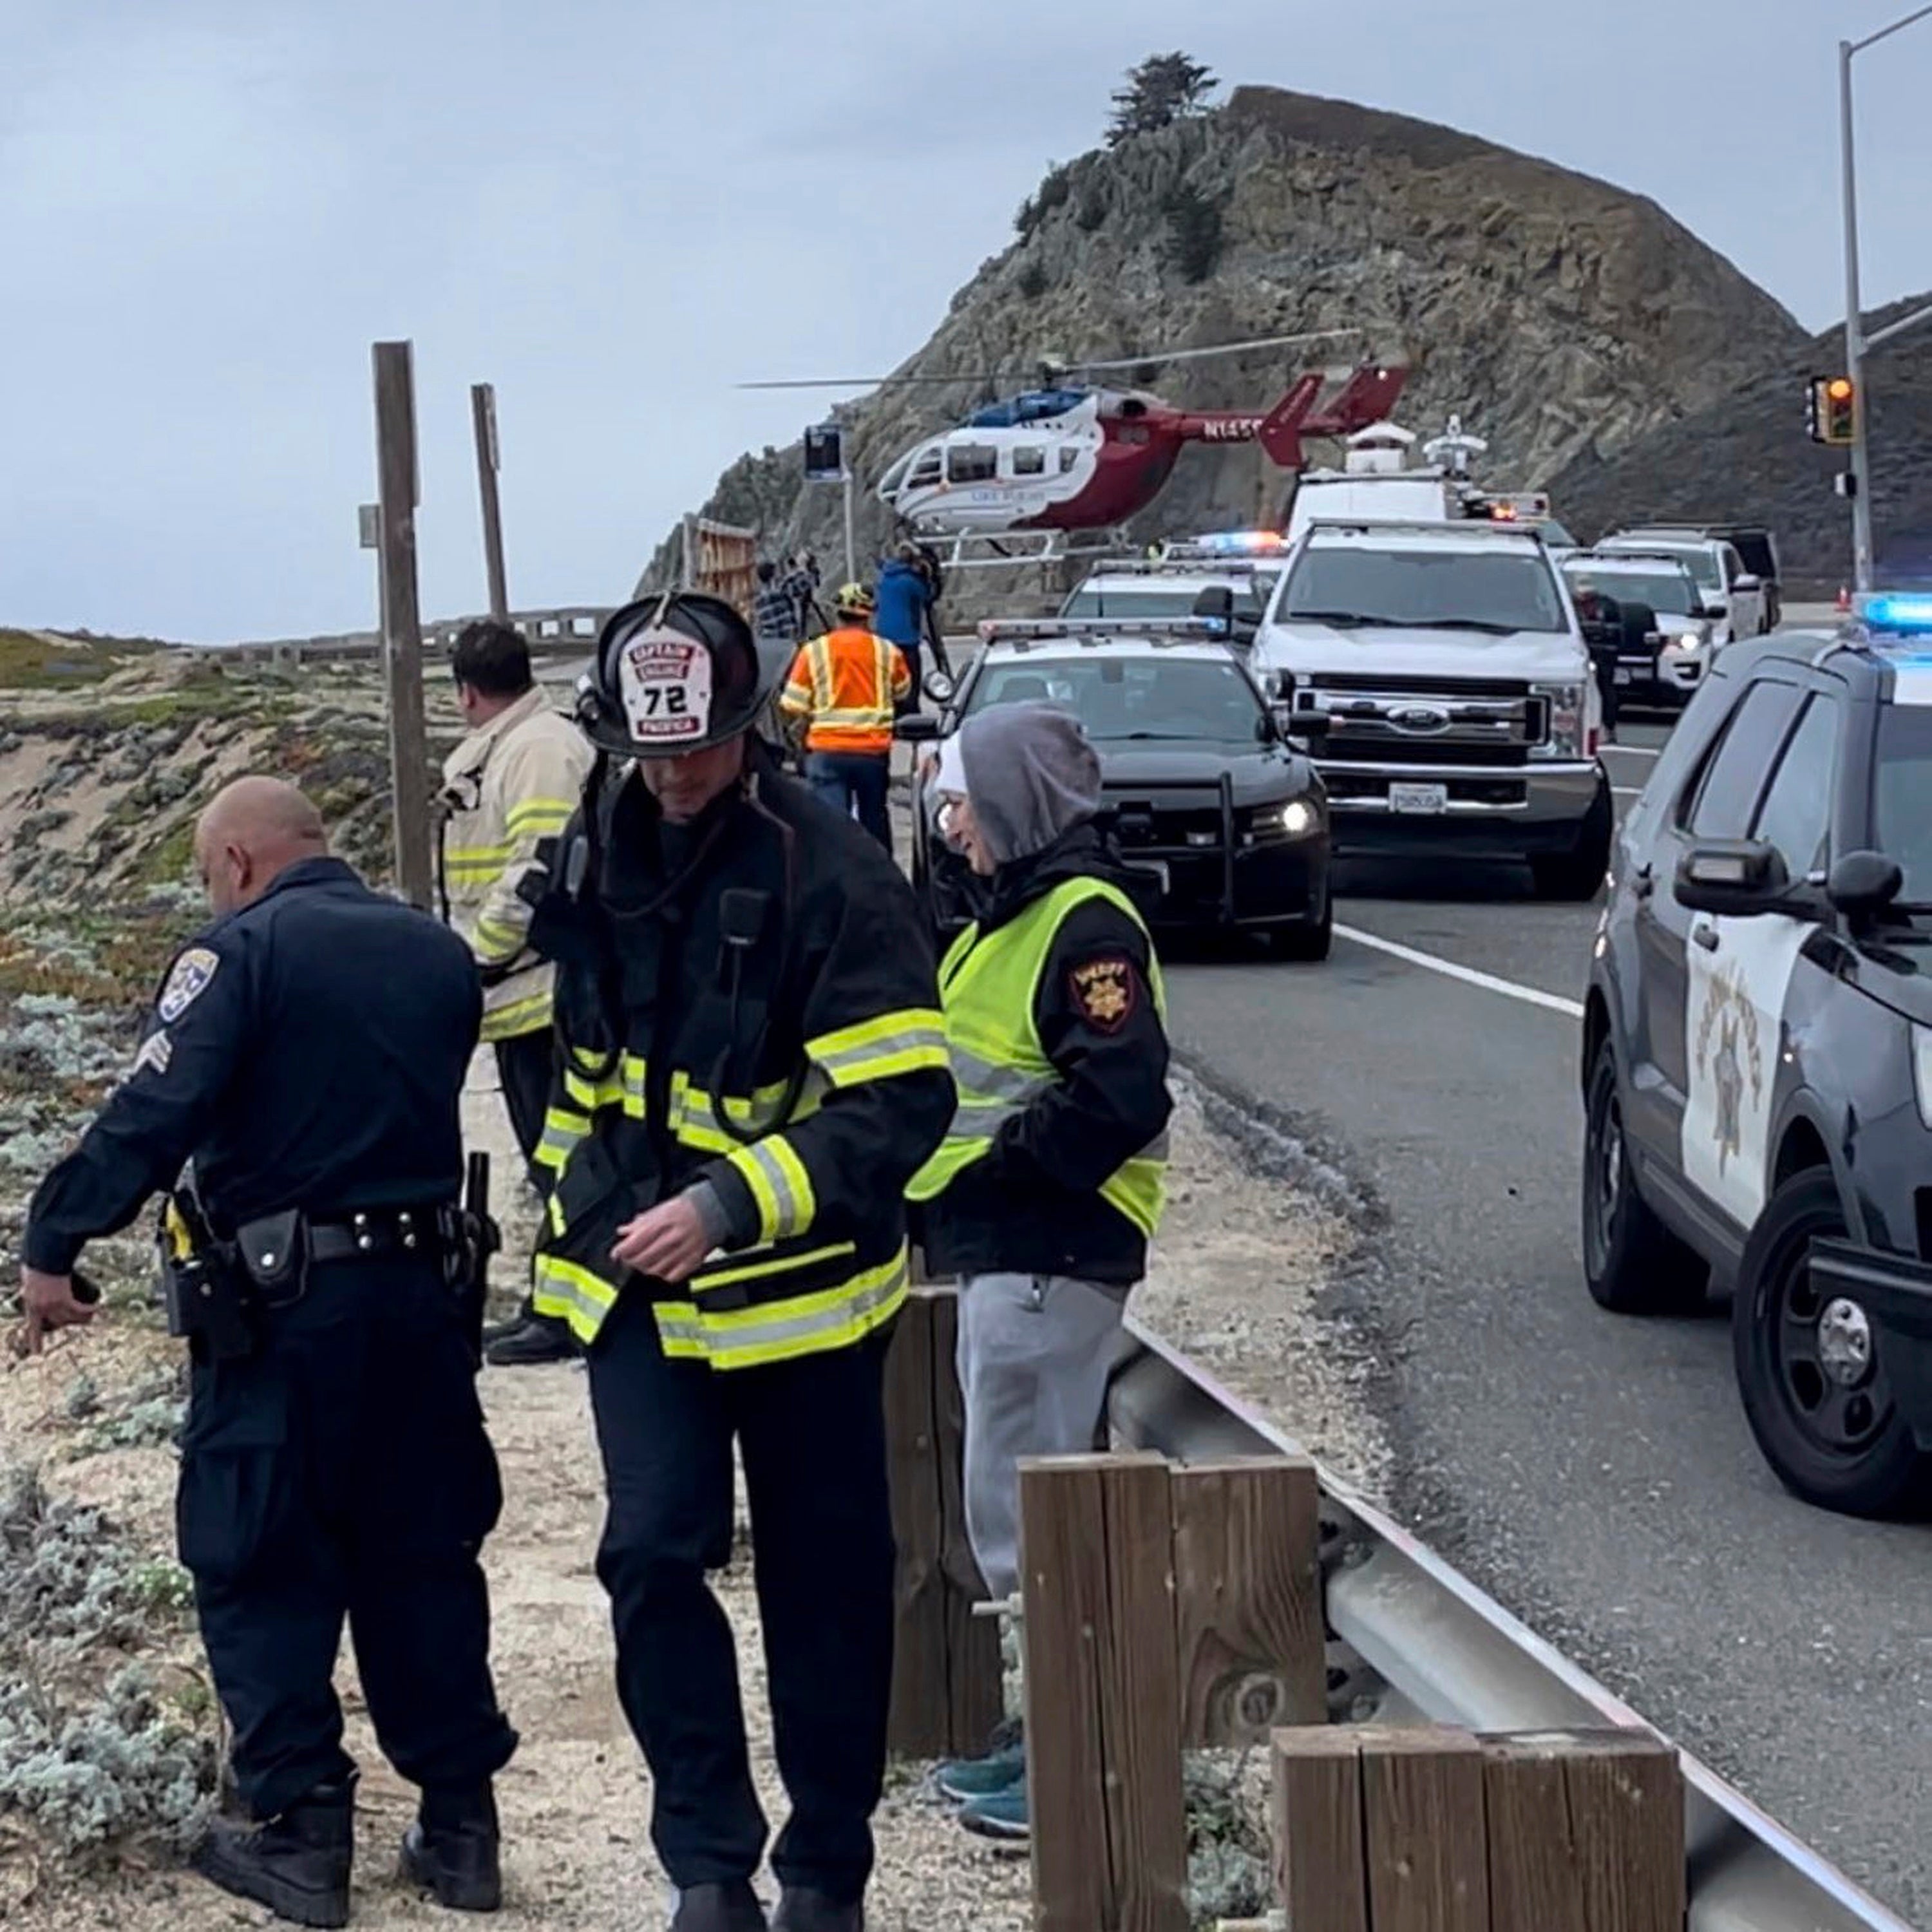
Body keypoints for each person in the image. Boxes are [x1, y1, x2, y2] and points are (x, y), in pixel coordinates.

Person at [521, 592, 953, 1932]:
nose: (678, 775)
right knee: (650, 1559)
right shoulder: (599, 848)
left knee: (823, 1587)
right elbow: (585, 1065)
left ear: (747, 726)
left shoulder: (833, 871)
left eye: (699, 749)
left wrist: (727, 1205)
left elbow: (900, 1102)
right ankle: (709, 1866)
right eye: (654, 754)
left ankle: (827, 1872)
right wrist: (576, 1216)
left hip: (803, 1304)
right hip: (640, 1291)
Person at [15, 777, 516, 1929]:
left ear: (236, 863)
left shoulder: (240, 955)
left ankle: (299, 1833)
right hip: (427, 1307)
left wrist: (56, 1236)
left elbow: (153, 1112)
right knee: (423, 1555)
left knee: (260, 1554)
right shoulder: (434, 954)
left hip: (288, 1315)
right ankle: (460, 1827)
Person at [905, 704, 1173, 1848]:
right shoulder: (1006, 918)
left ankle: (1066, 1757)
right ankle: (1041, 1731)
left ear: (1012, 801)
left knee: (1031, 1522)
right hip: (1009, 1257)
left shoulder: (1081, 922)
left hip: (1045, 1250)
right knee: (1011, 1512)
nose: (951, 823)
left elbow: (1119, 1093)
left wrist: (994, 1183)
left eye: (963, 798)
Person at [439, 619, 594, 1368]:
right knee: (549, 1159)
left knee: (563, 1158)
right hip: (523, 995)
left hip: (545, 992)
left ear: (466, 690)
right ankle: (556, 1302)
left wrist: (478, 957)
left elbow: (539, 869)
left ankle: (563, 1311)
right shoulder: (521, 746)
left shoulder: (536, 751)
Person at [778, 582, 909, 851]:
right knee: (875, 819)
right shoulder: (887, 651)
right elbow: (903, 690)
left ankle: (837, 883)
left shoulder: (814, 652)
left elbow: (792, 703)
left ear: (838, 614)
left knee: (830, 826)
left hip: (827, 752)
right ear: (869, 614)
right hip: (872, 752)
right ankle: (880, 878)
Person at [871, 542, 934, 704]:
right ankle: (910, 707)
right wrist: (925, 576)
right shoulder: (911, 581)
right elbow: (928, 596)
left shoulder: (884, 579)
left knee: (888, 678)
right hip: (907, 638)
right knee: (911, 679)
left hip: (884, 637)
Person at [752, 559, 800, 649]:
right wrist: (798, 569)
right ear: (773, 574)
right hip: (787, 641)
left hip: (770, 643)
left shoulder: (758, 598)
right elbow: (800, 587)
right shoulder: (780, 589)